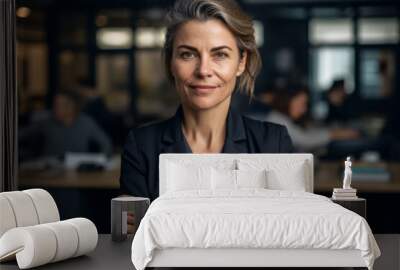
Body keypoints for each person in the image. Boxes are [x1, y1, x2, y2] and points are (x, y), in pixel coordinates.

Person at [120, 0, 294, 201]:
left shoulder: (273, 143)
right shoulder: (142, 146)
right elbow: (134, 231)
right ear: (170, 63)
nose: (203, 70)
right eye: (187, 54)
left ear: (241, 62)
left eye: (220, 54)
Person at [19, 91, 113, 159]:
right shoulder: (46, 122)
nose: (55, 108)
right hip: (48, 171)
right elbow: (21, 135)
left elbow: (106, 143)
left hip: (77, 170)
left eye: (60, 105)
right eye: (55, 105)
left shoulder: (86, 122)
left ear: (71, 106)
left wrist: (99, 161)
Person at [265, 85, 359, 153]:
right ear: (288, 101)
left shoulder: (282, 118)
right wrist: (334, 134)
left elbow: (307, 132)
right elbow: (304, 139)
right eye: (302, 104)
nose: (304, 109)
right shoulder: (277, 119)